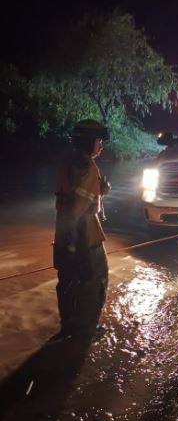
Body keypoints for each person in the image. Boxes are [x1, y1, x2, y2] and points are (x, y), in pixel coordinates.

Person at [53, 119, 111, 340]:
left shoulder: (67, 161)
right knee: (95, 280)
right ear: (88, 142)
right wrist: (73, 243)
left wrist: (100, 191)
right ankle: (85, 330)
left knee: (67, 280)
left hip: (63, 231)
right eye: (98, 141)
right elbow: (78, 206)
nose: (101, 145)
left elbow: (74, 198)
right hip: (84, 236)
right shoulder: (87, 166)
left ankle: (68, 327)